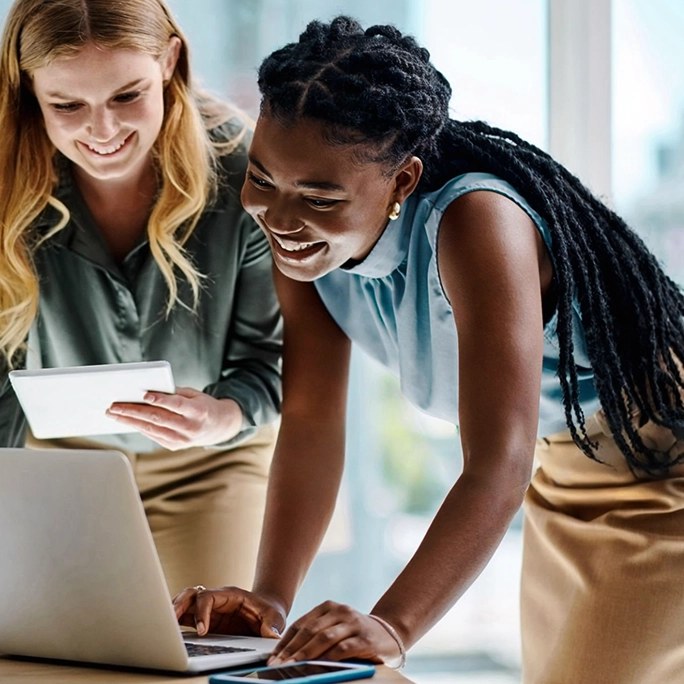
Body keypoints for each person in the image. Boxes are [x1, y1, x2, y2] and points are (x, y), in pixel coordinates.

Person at [172, 16, 684, 682]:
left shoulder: (477, 221)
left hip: (661, 465)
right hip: (564, 469)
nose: (282, 217)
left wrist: (392, 626)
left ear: (403, 181)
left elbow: (499, 457)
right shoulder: (299, 245)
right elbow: (311, 422)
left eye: (320, 195)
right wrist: (269, 599)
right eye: (263, 179)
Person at [0, 0, 282, 648]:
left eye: (128, 94)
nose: (103, 128)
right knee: (39, 652)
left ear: (169, 62)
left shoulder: (241, 168)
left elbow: (269, 362)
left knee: (210, 653)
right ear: (29, 91)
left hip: (212, 462)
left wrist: (223, 413)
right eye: (68, 106)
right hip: (63, 465)